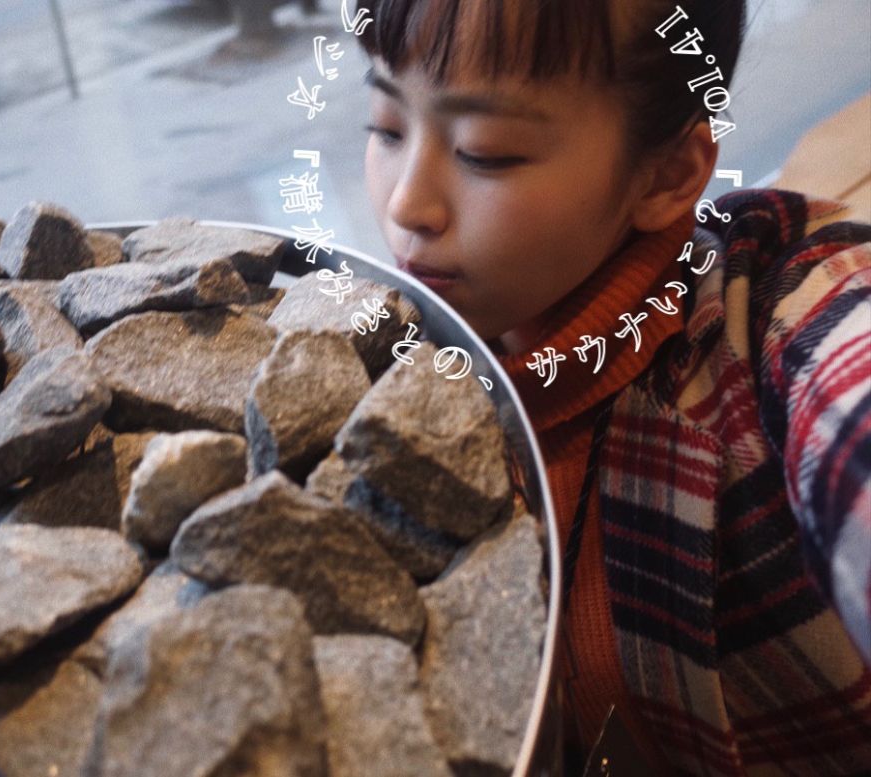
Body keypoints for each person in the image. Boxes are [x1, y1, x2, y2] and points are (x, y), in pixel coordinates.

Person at [354, 0, 871, 773]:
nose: (405, 205)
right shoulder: (390, 360)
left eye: (486, 152)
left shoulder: (776, 314)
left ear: (666, 175)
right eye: (387, 126)